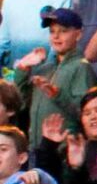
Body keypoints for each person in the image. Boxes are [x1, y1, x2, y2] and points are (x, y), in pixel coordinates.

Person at [13, 8, 92, 148]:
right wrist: (23, 68)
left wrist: (56, 94)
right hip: (36, 148)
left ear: (78, 35)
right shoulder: (44, 69)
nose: (56, 36)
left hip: (64, 150)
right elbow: (21, 102)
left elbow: (84, 112)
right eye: (52, 31)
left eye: (63, 31)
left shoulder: (81, 67)